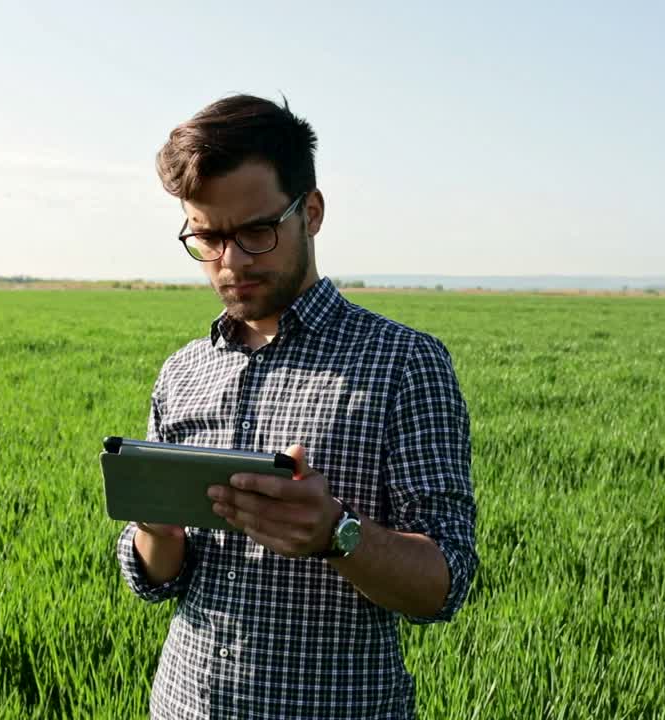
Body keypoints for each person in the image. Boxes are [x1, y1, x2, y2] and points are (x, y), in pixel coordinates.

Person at [115, 94, 477, 719]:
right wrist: (155, 528)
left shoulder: (403, 364)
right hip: (182, 703)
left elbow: (446, 581)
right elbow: (160, 578)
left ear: (310, 212)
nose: (230, 262)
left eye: (256, 232)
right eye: (206, 238)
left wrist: (338, 533)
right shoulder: (183, 372)